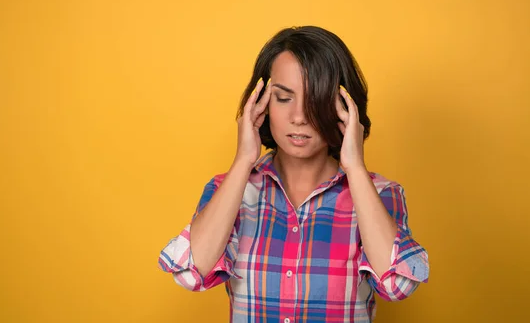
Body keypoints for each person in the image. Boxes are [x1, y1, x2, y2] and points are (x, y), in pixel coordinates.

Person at [158, 26, 429, 322]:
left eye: (315, 100)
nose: (299, 117)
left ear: (343, 107)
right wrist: (243, 161)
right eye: (283, 98)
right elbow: (189, 273)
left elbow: (397, 285)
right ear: (261, 103)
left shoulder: (379, 194)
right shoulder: (230, 190)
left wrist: (355, 167)